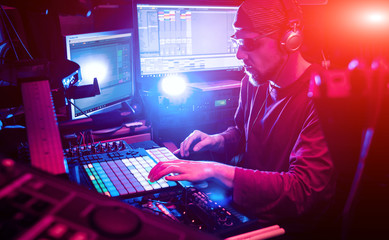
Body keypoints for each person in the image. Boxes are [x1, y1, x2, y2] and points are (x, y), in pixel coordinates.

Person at [148, 0, 336, 235]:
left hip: (289, 227)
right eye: (237, 42)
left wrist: (215, 169)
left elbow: (303, 190)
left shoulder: (324, 97)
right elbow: (243, 133)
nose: (239, 55)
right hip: (251, 212)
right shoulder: (253, 82)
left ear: (290, 40)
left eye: (249, 43)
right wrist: (218, 140)